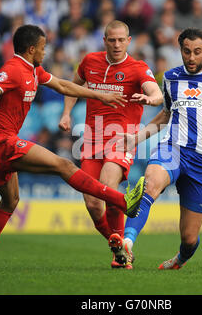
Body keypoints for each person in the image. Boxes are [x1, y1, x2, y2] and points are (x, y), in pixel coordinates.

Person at [0, 24, 146, 270]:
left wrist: (100, 96)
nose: (45, 51)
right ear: (31, 49)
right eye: (43, 47)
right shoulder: (13, 69)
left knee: (10, 202)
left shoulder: (34, 70)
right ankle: (124, 201)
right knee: (62, 164)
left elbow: (63, 86)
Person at [113, 28, 202, 269]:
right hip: (173, 148)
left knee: (189, 238)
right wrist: (136, 138)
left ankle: (180, 259)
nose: (191, 57)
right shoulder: (170, 77)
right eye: (187, 52)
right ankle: (126, 243)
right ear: (180, 50)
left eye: (197, 52)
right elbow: (165, 116)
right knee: (150, 184)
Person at [59, 20, 163, 269]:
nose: (116, 44)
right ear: (104, 40)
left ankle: (127, 204)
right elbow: (73, 87)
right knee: (93, 203)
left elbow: (157, 93)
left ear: (129, 41)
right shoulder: (89, 62)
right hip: (92, 139)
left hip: (122, 138)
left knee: (107, 185)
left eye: (121, 40)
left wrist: (150, 98)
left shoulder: (138, 68)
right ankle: (118, 247)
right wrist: (66, 113)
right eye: (112, 40)